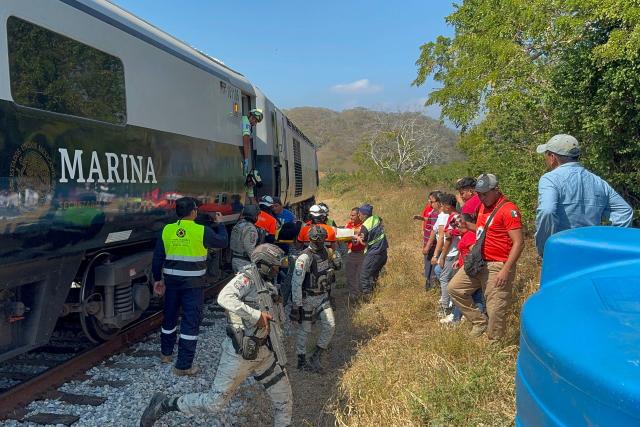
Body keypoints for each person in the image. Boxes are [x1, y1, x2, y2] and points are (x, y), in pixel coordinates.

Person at [141, 244, 292, 427]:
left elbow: (277, 320)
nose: (277, 270)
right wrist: (256, 316)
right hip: (240, 353)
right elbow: (225, 297)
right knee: (215, 403)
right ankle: (164, 404)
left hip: (265, 353)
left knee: (284, 402)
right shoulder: (247, 278)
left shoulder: (268, 285)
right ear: (263, 264)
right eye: (274, 266)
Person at [151, 197, 228, 376]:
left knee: (169, 317)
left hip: (171, 282)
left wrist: (157, 279)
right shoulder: (202, 231)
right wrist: (221, 224)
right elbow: (223, 241)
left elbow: (157, 258)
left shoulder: (167, 230)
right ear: (194, 212)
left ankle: (166, 354)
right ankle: (183, 366)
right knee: (190, 322)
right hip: (193, 285)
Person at [447, 174, 524, 340]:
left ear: (496, 190)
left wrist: (506, 269)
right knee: (454, 288)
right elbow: (485, 230)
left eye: (484, 194)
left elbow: (518, 242)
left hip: (498, 264)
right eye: (478, 194)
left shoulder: (508, 210)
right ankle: (479, 322)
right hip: (479, 261)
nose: (481, 197)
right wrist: (466, 225)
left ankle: (495, 343)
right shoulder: (483, 206)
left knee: (495, 308)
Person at [534, 134, 633, 257]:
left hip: (562, 252)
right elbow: (625, 212)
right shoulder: (598, 181)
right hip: (592, 252)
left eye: (546, 154)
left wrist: (545, 248)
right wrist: (615, 247)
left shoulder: (550, 179)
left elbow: (547, 211)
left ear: (553, 157)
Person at [290, 226, 342, 373]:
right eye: (315, 239)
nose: (318, 242)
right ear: (310, 239)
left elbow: (336, 267)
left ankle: (316, 356)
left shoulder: (328, 252)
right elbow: (296, 282)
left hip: (323, 297)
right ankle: (301, 360)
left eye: (321, 239)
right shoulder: (304, 257)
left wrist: (337, 261)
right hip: (308, 299)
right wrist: (296, 306)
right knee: (305, 330)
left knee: (330, 325)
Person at [433, 194, 459, 317]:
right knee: (441, 273)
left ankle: (446, 307)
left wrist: (442, 256)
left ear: (448, 206)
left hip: (452, 253)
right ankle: (449, 303)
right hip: (454, 253)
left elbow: (448, 238)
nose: (441, 207)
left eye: (443, 205)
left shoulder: (454, 218)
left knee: (444, 279)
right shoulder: (455, 216)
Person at [356, 204, 388, 298]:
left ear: (365, 215)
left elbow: (363, 242)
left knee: (364, 275)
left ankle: (367, 297)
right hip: (383, 252)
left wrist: (357, 238)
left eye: (360, 214)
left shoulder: (365, 226)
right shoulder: (376, 217)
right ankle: (374, 294)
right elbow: (380, 223)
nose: (359, 216)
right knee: (373, 275)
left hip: (374, 253)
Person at [414, 191, 442, 291]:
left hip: (433, 248)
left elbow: (435, 233)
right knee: (428, 268)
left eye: (432, 201)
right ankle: (430, 287)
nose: (429, 202)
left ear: (439, 202)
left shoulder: (438, 214)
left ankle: (432, 288)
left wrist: (428, 246)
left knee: (431, 270)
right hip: (430, 246)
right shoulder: (433, 212)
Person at [230, 204, 261, 272]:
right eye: (257, 215)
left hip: (235, 259)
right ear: (254, 216)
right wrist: (257, 260)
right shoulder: (250, 229)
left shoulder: (238, 225)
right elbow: (249, 247)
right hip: (244, 262)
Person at [345, 207, 366, 297]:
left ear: (358, 215)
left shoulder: (364, 225)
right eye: (350, 215)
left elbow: (362, 232)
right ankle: (353, 294)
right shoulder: (348, 225)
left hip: (362, 254)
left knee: (360, 275)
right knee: (351, 275)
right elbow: (345, 238)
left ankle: (361, 294)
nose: (351, 217)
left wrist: (351, 233)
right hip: (351, 253)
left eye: (353, 215)